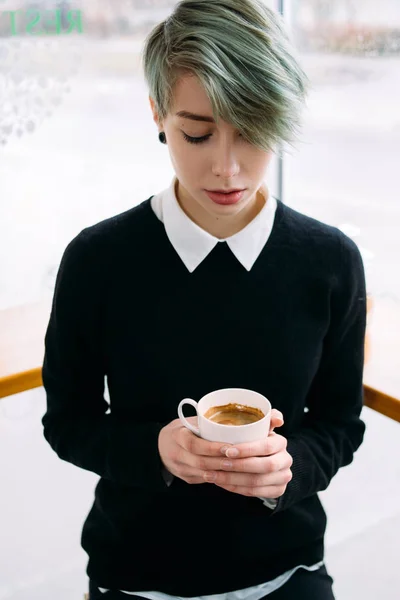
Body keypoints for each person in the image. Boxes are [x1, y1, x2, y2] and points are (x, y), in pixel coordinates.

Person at [41, 1, 367, 599]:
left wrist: (287, 470)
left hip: (285, 573)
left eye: (254, 130)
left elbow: (340, 425)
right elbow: (67, 422)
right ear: (158, 115)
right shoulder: (98, 261)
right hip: (135, 576)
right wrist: (155, 452)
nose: (227, 167)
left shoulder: (330, 262)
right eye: (197, 133)